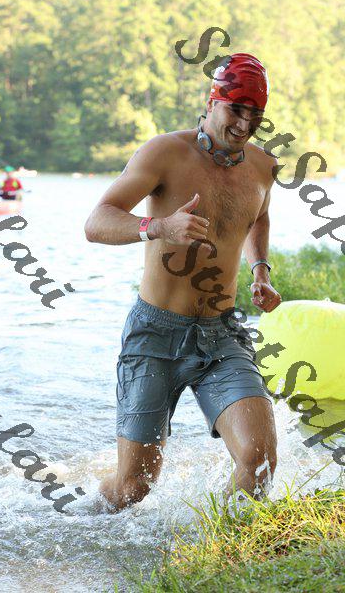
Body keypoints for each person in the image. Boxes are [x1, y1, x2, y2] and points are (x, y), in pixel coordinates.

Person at [84, 53, 282, 512]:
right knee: (133, 489)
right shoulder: (164, 152)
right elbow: (96, 222)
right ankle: (84, 513)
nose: (245, 125)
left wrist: (260, 269)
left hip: (222, 334)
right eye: (236, 110)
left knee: (258, 461)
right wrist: (158, 227)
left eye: (255, 114)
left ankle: (221, 546)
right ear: (212, 102)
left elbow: (259, 216)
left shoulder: (263, 166)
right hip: (155, 333)